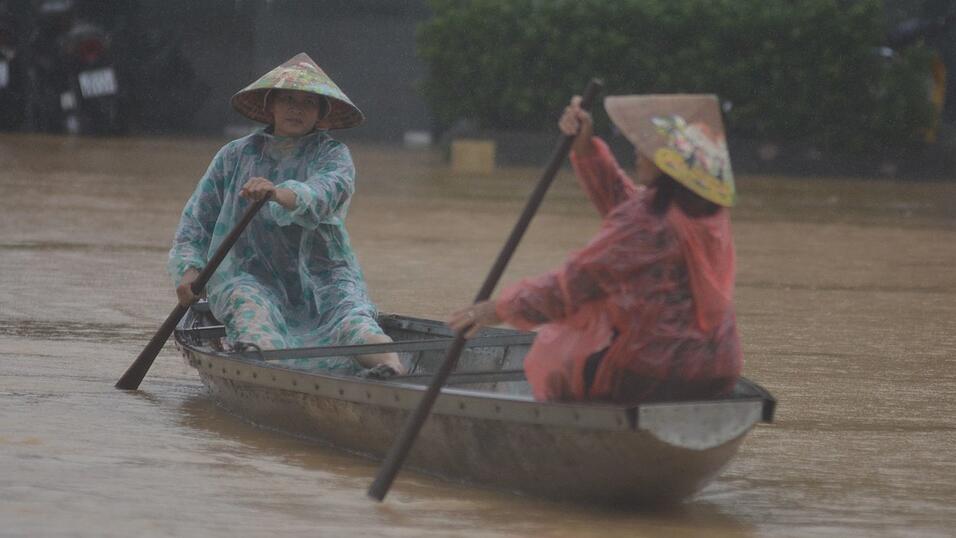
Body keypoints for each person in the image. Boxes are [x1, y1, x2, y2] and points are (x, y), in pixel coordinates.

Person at [449, 94, 741, 403]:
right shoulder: (707, 212)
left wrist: (497, 309)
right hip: (720, 365)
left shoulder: (647, 223)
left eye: (650, 149)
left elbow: (571, 288)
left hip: (654, 373)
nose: (638, 153)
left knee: (560, 358)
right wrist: (585, 148)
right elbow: (626, 204)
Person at [169, 52, 404, 376]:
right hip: (248, 277)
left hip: (322, 276)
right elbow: (198, 222)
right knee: (252, 313)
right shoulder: (235, 156)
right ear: (271, 106)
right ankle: (271, 373)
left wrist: (279, 193)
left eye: (308, 103)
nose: (296, 108)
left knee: (353, 321)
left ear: (321, 113)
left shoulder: (332, 154)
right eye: (288, 99)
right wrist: (188, 270)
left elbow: (327, 191)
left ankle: (391, 369)